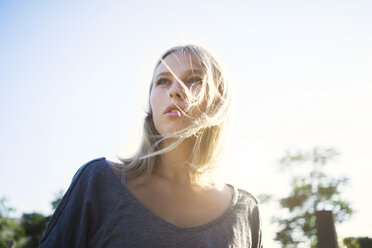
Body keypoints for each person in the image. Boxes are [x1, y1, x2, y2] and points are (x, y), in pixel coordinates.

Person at [40, 45, 263, 248]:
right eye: (163, 81)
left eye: (194, 80)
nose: (174, 90)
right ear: (151, 104)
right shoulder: (98, 181)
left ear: (218, 101)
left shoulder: (246, 211)